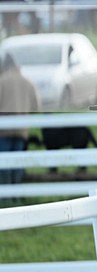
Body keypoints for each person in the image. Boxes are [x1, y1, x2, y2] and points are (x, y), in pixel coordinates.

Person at [0, 54, 39, 187]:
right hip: (22, 130)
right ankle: (17, 193)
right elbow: (36, 107)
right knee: (18, 163)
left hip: (3, 131)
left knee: (4, 163)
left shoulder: (2, 81)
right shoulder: (28, 82)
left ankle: (5, 195)